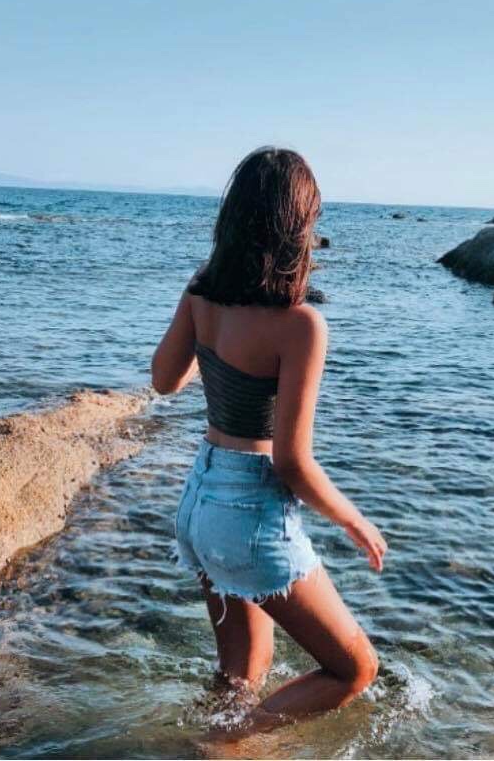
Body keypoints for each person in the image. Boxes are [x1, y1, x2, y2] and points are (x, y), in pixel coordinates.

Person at [150, 146, 387, 735]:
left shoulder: (200, 293)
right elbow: (292, 463)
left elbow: (164, 380)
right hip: (250, 515)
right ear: (297, 229)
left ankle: (218, 742)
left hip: (199, 503)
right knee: (354, 668)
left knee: (241, 672)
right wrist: (354, 520)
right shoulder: (301, 324)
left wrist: (211, 343)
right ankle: (226, 742)